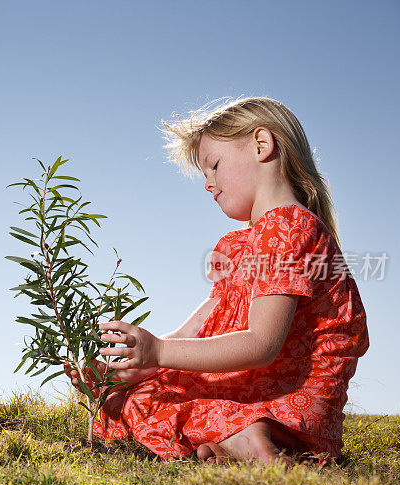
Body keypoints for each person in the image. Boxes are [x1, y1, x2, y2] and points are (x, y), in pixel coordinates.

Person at [66, 96, 369, 465]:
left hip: (286, 401)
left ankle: (247, 431)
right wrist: (138, 362)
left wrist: (158, 352)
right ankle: (246, 437)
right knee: (134, 392)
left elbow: (262, 344)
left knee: (144, 403)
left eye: (213, 165)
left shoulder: (285, 227)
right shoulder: (248, 243)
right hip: (295, 414)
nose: (208, 184)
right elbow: (199, 327)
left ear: (262, 145)